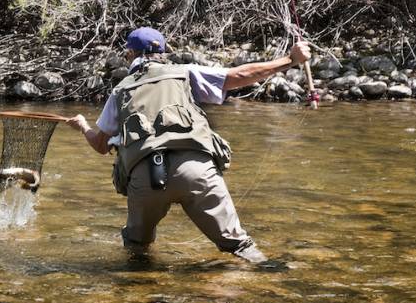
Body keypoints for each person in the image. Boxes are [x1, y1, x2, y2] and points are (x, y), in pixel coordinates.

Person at [66, 27, 311, 263]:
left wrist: (82, 126)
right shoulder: (184, 72)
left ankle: (139, 294)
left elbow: (100, 144)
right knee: (241, 246)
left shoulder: (120, 90)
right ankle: (268, 275)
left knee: (136, 248)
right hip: (197, 171)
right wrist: (290, 60)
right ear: (163, 52)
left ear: (129, 54)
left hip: (146, 178)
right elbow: (240, 76)